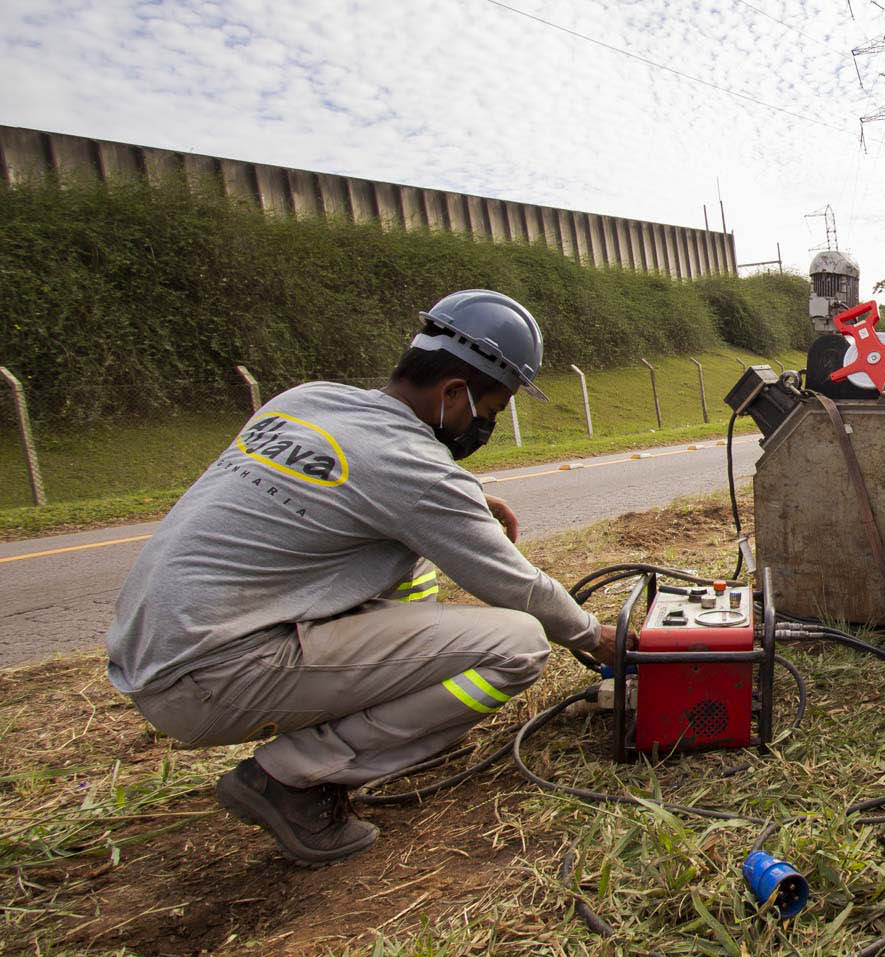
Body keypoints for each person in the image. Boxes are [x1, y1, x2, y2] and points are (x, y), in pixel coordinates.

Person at [106, 290, 614, 866]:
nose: (486, 427)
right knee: (518, 645)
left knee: (411, 558)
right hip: (209, 678)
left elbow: (337, 487)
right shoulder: (410, 469)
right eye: (490, 413)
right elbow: (516, 587)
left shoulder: (307, 399)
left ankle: (406, 729)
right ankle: (290, 777)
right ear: (453, 393)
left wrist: (460, 501)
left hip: (155, 647)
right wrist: (597, 638)